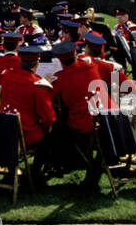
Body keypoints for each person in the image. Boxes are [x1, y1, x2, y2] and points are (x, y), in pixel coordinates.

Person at [43, 39, 108, 191]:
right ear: (75, 53)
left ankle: (62, 163)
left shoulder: (62, 77)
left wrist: (47, 81)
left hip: (84, 128)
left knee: (55, 129)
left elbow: (49, 95)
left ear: (60, 60)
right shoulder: (91, 67)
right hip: (106, 122)